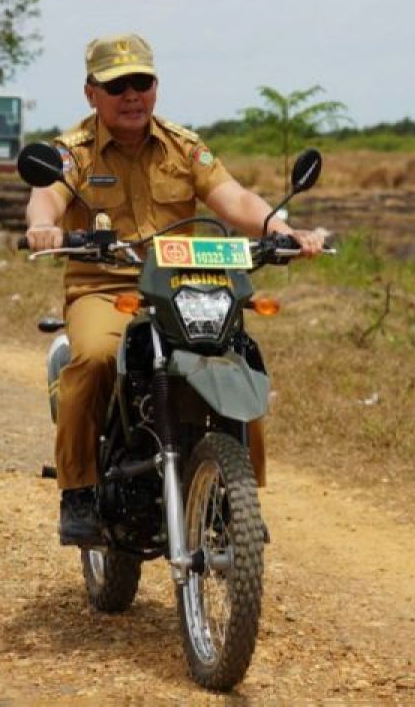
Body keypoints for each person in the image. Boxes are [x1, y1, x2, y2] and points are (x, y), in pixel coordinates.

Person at [24, 33, 326, 544]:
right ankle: (78, 492)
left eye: (141, 82)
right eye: (117, 85)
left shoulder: (185, 147)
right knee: (96, 357)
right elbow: (45, 198)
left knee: (238, 358)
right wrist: (44, 226)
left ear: (156, 87)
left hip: (181, 288)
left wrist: (279, 231)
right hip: (106, 287)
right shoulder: (71, 153)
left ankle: (237, 497)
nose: (131, 95)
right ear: (91, 93)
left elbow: (233, 198)